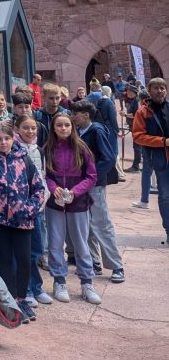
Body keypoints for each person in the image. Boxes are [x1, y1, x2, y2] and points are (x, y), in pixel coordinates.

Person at [0, 122, 45, 322]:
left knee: (24, 260)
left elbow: (39, 189)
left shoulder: (25, 160)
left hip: (22, 222)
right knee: (4, 261)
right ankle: (9, 300)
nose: (3, 142)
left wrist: (28, 210)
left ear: (13, 139)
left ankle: (22, 299)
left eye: (6, 138)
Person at [44, 112, 100, 304]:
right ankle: (59, 281)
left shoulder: (82, 148)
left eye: (67, 125)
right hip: (55, 204)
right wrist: (53, 188)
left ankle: (87, 282)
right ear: (53, 128)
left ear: (72, 126)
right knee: (55, 243)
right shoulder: (48, 149)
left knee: (81, 243)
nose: (63, 128)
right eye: (59, 125)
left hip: (78, 203)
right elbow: (45, 175)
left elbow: (91, 176)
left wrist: (76, 192)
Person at [71, 101, 125, 283]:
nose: (73, 116)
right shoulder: (79, 132)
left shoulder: (96, 131)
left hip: (94, 185)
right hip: (82, 185)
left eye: (76, 113)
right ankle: (94, 262)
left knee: (102, 223)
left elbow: (108, 158)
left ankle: (116, 265)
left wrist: (91, 177)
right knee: (86, 225)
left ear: (86, 115)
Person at [13, 114, 51, 305]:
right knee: (23, 251)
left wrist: (43, 198)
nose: (30, 131)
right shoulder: (14, 150)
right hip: (21, 209)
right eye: (25, 128)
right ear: (17, 129)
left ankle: (37, 287)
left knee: (36, 250)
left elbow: (42, 177)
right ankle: (25, 290)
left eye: (33, 128)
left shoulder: (40, 151)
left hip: (38, 207)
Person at [132, 78, 169, 245]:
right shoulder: (142, 112)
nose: (160, 91)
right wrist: (162, 142)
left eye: (162, 88)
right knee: (165, 196)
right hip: (160, 159)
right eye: (156, 88)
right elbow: (138, 136)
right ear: (149, 90)